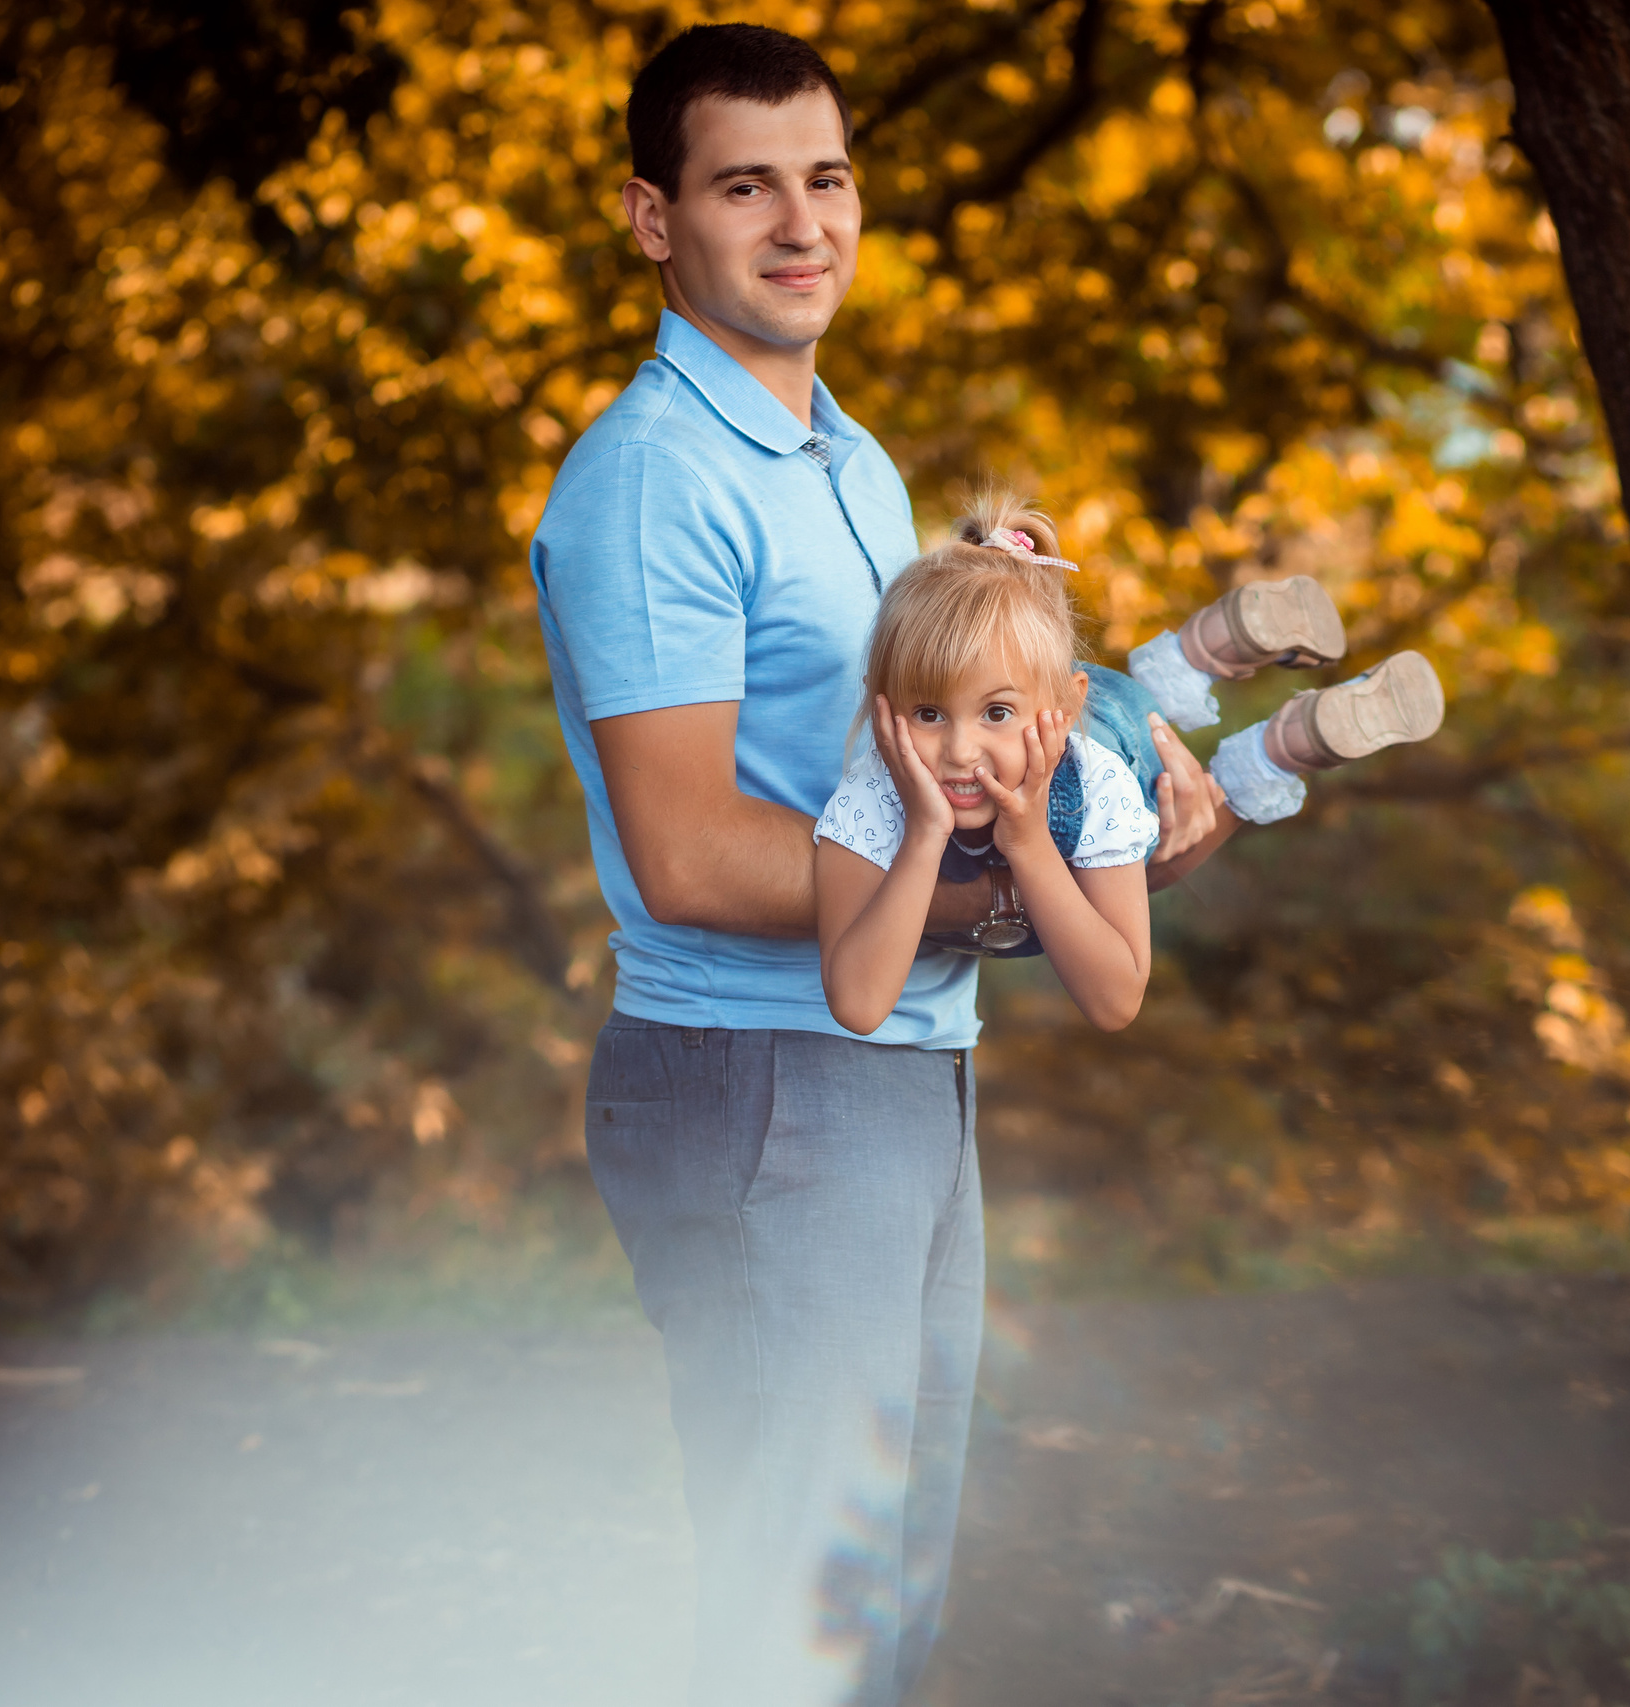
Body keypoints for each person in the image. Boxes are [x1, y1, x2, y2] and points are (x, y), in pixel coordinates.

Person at [526, 24, 1235, 1707]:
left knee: (883, 1611)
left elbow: (931, 745)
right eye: (743, 183)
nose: (799, 221)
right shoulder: (653, 479)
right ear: (654, 220)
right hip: (762, 1082)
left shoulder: (857, 464)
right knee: (805, 1632)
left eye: (825, 177)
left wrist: (1098, 765)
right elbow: (692, 848)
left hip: (902, 1073)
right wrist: (1013, 906)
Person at [818, 490, 1448, 997]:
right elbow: (857, 1003)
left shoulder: (1099, 783)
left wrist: (1033, 845)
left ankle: (1273, 735)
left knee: (1170, 827)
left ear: (1061, 712)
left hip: (1114, 737)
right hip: (1059, 717)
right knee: (1140, 845)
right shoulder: (875, 790)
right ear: (882, 706)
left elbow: (1118, 1000)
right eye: (928, 713)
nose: (957, 751)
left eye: (994, 712)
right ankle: (1269, 709)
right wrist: (925, 834)